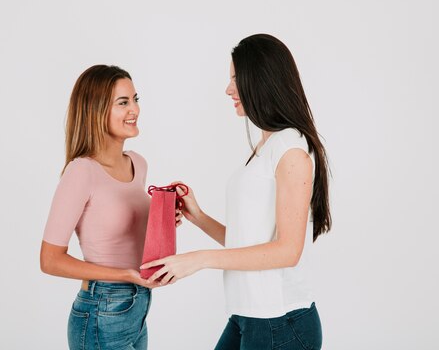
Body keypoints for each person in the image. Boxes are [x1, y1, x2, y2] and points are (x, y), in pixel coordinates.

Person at [141, 34, 331, 349]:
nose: (228, 89)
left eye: (235, 79)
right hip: (249, 317)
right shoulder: (267, 144)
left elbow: (288, 250)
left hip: (280, 323)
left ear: (261, 80)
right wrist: (197, 216)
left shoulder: (291, 149)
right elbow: (248, 243)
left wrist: (199, 260)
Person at [40, 65, 180, 349]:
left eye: (135, 99)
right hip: (102, 309)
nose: (135, 110)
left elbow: (120, 229)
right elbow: (50, 259)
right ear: (96, 110)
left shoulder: (137, 164)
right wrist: (124, 276)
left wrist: (161, 220)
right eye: (123, 102)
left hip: (137, 306)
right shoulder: (82, 171)